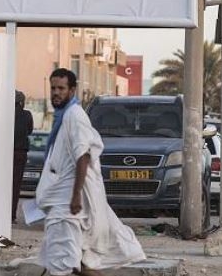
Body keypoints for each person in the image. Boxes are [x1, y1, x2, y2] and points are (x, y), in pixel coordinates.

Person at [34, 68, 145, 276]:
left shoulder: (75, 117)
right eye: (53, 88)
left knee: (64, 265)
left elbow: (83, 156)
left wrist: (75, 196)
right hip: (63, 205)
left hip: (68, 207)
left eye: (61, 88)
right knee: (79, 265)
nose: (56, 93)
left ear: (72, 90)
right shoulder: (63, 117)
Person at [12, 90, 34, 223]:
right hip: (20, 152)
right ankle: (12, 215)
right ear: (22, 102)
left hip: (6, 152)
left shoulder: (6, 113)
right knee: (15, 184)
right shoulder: (27, 115)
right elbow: (30, 130)